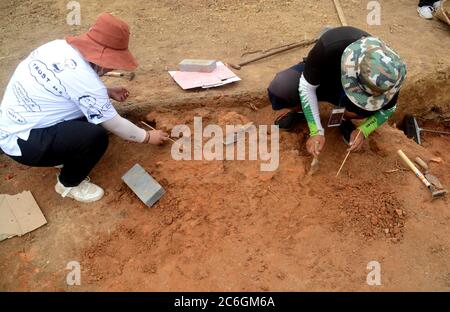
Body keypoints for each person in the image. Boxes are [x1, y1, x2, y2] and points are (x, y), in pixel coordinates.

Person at [0, 13, 169, 203]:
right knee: (95, 136)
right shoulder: (86, 80)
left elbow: (67, 87)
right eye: (111, 64)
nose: (109, 70)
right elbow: (114, 124)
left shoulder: (57, 47)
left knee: (92, 120)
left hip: (12, 124)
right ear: (104, 59)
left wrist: (105, 92)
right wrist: (147, 137)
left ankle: (62, 153)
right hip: (24, 143)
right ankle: (68, 184)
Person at [268, 26, 407, 158]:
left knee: (366, 109)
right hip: (323, 79)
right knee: (282, 87)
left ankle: (343, 119)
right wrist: (316, 130)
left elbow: (388, 109)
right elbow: (306, 86)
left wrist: (363, 130)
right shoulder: (332, 44)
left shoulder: (391, 75)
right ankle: (300, 111)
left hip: (346, 94)